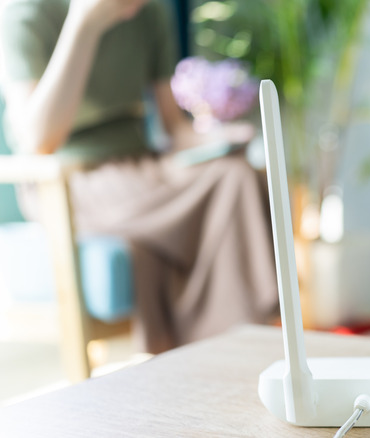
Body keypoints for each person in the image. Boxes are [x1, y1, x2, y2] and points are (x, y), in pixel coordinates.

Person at [0, 0, 278, 353]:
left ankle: (234, 348)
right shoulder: (26, 13)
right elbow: (39, 140)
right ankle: (235, 346)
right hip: (70, 179)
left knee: (238, 173)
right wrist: (83, 24)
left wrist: (219, 137)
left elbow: (174, 128)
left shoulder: (151, 11)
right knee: (229, 184)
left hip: (143, 167)